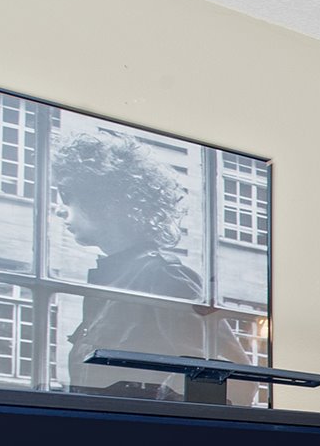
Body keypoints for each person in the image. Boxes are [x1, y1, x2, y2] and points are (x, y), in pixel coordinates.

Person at [55, 132, 258, 398]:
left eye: (69, 197)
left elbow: (236, 382)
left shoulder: (163, 277)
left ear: (105, 201)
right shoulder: (113, 281)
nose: (61, 209)